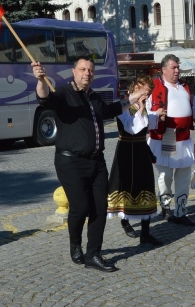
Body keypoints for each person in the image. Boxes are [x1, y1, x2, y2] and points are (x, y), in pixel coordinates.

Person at [33, 56, 146, 272]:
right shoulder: (63, 93)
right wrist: (40, 80)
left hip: (96, 161)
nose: (87, 73)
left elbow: (111, 110)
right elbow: (45, 99)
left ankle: (93, 253)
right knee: (80, 207)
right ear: (73, 71)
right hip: (70, 162)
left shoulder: (93, 96)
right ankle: (75, 244)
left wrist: (134, 98)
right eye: (83, 69)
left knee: (100, 208)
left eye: (91, 70)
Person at [107, 75, 163, 247]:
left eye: (148, 91)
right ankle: (125, 221)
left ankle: (145, 233)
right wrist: (141, 108)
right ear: (136, 87)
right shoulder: (123, 105)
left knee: (145, 186)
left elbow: (147, 125)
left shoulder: (142, 106)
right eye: (145, 90)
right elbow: (132, 128)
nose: (146, 94)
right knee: (126, 186)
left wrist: (156, 115)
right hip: (126, 150)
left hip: (141, 150)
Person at [147, 54, 195, 226]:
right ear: (163, 69)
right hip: (166, 135)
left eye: (178, 67)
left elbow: (193, 111)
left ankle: (181, 211)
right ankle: (166, 208)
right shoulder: (154, 86)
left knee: (184, 175)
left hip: (183, 137)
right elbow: (143, 112)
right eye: (173, 68)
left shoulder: (184, 86)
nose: (177, 70)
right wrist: (155, 116)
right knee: (166, 175)